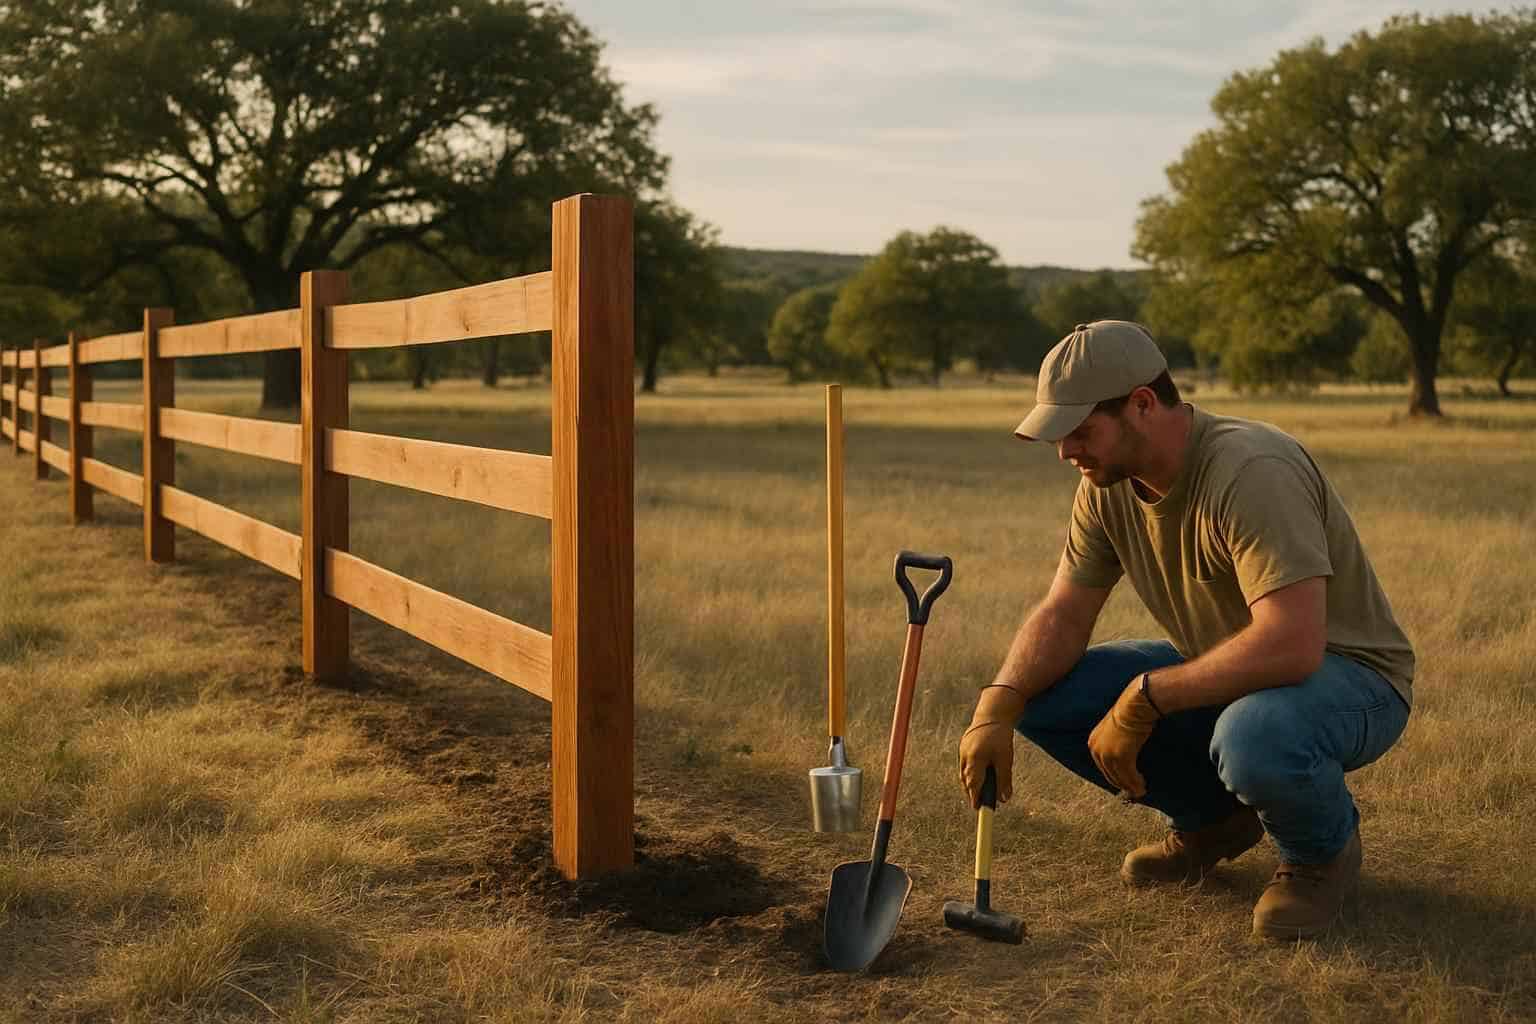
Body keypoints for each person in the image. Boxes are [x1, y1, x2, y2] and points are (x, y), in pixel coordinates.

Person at [958, 320, 1414, 940]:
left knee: (1254, 734)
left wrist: (1146, 696)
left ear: (1142, 404)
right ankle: (1213, 822)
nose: (1066, 452)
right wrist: (996, 705)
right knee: (1042, 693)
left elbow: (1293, 643)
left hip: (1350, 678)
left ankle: (1318, 856)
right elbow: (1063, 612)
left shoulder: (1250, 469)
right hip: (1233, 671)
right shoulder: (1104, 485)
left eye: (1080, 431)